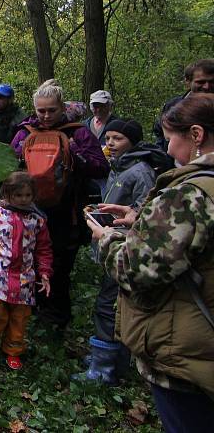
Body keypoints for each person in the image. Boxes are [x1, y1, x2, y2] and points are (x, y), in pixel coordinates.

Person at [89, 94, 214, 432]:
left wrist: (108, 240)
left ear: (197, 135)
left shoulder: (192, 193)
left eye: (172, 137)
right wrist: (139, 219)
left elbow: (138, 269)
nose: (169, 150)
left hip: (188, 351)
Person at [10, 79, 109, 330]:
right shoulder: (25, 132)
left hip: (66, 213)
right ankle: (29, 310)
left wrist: (76, 156)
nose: (45, 116)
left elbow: (101, 167)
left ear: (62, 107)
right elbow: (9, 166)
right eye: (41, 110)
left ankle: (55, 319)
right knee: (27, 261)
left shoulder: (78, 133)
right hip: (28, 212)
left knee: (58, 266)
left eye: (51, 110)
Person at [75, 118, 157, 386]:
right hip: (110, 243)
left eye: (117, 139)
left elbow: (143, 212)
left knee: (107, 305)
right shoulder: (117, 167)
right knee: (112, 302)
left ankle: (104, 367)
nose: (110, 143)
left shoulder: (141, 171)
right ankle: (111, 357)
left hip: (125, 248)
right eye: (108, 138)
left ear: (132, 142)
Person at [0, 172, 53, 370]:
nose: (23, 199)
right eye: (18, 195)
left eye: (27, 195)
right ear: (7, 194)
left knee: (20, 316)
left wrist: (45, 272)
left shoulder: (37, 221)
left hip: (25, 276)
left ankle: (13, 350)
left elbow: (43, 248)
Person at [153, 59, 214, 150]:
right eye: (201, 82)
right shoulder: (172, 106)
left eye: (212, 82)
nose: (207, 86)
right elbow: (160, 137)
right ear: (188, 82)